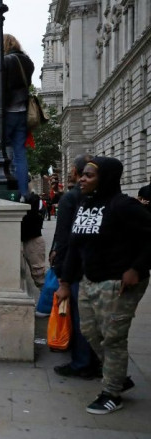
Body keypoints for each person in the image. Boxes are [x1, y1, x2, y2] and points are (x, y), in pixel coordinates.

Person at [56, 156, 151, 414]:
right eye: (82, 175)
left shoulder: (124, 206)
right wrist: (65, 282)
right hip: (89, 280)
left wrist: (137, 268)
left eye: (89, 176)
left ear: (105, 179)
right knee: (89, 332)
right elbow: (74, 248)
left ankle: (111, 392)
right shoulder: (84, 204)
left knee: (113, 338)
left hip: (118, 283)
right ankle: (117, 375)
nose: (82, 179)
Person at [49, 154, 101, 379]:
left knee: (81, 317)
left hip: (78, 269)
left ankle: (82, 362)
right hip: (95, 268)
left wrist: (62, 274)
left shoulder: (71, 199)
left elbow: (65, 238)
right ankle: (92, 359)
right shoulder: (100, 198)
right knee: (92, 318)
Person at [0, 34, 34, 201]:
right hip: (23, 112)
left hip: (6, 113)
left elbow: (0, 91)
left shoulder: (5, 61)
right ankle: (23, 192)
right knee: (20, 155)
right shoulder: (27, 61)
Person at [21, 190, 46, 288]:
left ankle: (50, 301)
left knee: (39, 275)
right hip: (23, 238)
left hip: (32, 238)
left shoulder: (33, 197)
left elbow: (36, 215)